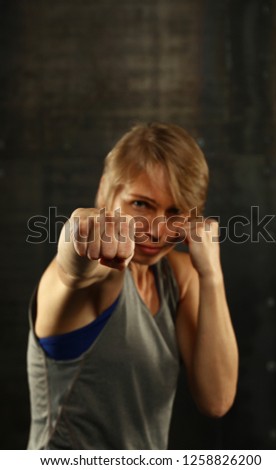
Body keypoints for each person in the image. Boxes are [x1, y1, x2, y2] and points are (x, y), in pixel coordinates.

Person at [27, 122, 239, 450]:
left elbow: (217, 400)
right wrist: (81, 234)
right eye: (140, 204)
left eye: (174, 212)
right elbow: (74, 270)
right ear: (106, 193)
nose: (156, 231)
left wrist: (212, 275)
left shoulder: (180, 277)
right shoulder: (102, 273)